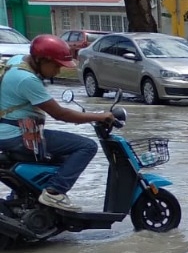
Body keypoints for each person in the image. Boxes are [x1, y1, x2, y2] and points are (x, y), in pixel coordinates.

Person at [0, 34, 117, 212]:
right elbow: (60, 114)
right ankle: (54, 192)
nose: (58, 71)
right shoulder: (27, 80)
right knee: (86, 146)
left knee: (63, 158)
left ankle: (27, 194)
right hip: (17, 136)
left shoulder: (17, 62)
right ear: (40, 60)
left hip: (8, 132)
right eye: (55, 66)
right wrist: (100, 116)